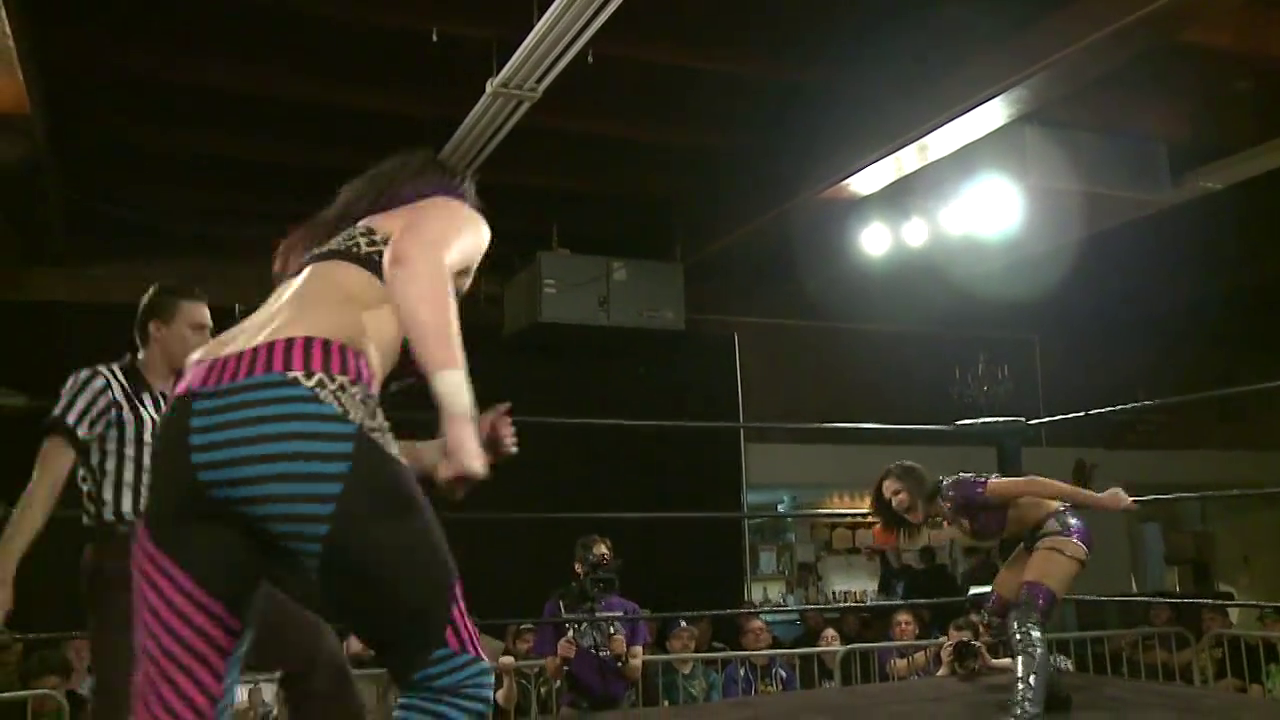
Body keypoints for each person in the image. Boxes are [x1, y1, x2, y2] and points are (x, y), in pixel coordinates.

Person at [128, 148, 519, 719]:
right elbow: (414, 262)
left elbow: (292, 433)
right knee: (453, 678)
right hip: (296, 402)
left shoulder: (319, 272)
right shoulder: (450, 213)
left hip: (192, 415)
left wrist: (434, 455)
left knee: (181, 707)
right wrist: (459, 422)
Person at [0, 284, 399, 720]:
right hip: (130, 558)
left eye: (210, 330)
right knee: (125, 699)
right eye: (196, 329)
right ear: (157, 330)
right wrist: (4, 569)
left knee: (315, 647)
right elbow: (44, 484)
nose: (208, 340)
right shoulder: (102, 387)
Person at [871, 461, 1136, 719]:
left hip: (1061, 529)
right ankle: (1052, 691)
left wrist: (1100, 500)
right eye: (889, 499)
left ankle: (1026, 712)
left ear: (916, 485)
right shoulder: (944, 510)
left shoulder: (955, 490)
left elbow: (1032, 484)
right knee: (993, 618)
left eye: (898, 492)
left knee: (1025, 618)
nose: (895, 503)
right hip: (1034, 539)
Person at [536, 535, 647, 711]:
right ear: (578, 567)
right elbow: (553, 672)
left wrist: (622, 658)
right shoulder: (559, 606)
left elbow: (635, 672)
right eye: (595, 561)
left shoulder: (630, 609)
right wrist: (561, 659)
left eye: (606, 560)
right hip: (576, 706)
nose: (601, 567)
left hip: (619, 707)